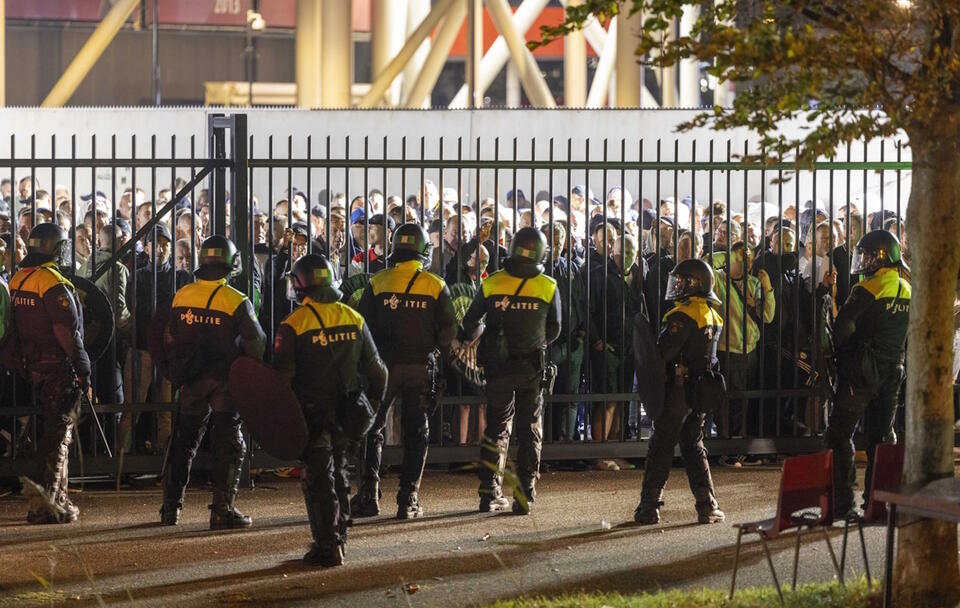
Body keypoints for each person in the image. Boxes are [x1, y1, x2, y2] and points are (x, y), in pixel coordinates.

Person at [274, 254, 387, 567]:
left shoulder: (293, 324)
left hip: (311, 415)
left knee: (318, 479)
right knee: (339, 472)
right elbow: (378, 372)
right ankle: (341, 537)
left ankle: (327, 545)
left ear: (300, 285)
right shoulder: (353, 317)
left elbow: (281, 381)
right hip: (348, 412)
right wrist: (371, 409)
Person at [160, 235, 266, 528]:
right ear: (231, 264)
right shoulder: (236, 300)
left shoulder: (182, 295)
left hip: (191, 380)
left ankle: (170, 507)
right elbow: (257, 345)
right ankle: (222, 510)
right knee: (230, 442)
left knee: (184, 441)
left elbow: (169, 334)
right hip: (224, 381)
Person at [353, 223, 457, 519]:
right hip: (419, 366)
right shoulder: (435, 285)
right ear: (424, 251)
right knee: (417, 431)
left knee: (372, 429)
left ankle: (368, 497)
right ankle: (408, 499)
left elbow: (363, 328)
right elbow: (448, 332)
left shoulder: (378, 281)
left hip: (384, 366)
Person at [461, 227, 561, 514]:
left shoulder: (492, 282)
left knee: (496, 427)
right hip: (531, 366)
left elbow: (469, 323)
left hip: (498, 367)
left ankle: (488, 492)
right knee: (530, 429)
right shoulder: (548, 285)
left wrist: (491, 336)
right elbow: (555, 329)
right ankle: (525, 494)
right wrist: (533, 339)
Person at [824, 230, 910, 518]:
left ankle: (843, 505)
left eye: (868, 255)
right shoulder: (907, 289)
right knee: (881, 439)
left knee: (839, 434)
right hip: (893, 371)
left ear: (882, 256)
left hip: (861, 373)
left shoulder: (867, 288)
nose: (863, 260)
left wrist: (842, 354)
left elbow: (843, 328)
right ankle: (879, 506)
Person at [634, 258, 726, 525]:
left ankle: (649, 508)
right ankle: (707, 506)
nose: (676, 285)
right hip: (698, 393)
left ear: (695, 284)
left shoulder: (683, 316)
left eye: (682, 281)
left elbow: (664, 351)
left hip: (678, 391)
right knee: (694, 447)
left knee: (660, 447)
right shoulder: (710, 313)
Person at [10, 223, 91, 524]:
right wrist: (83, 367)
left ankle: (60, 499)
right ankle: (43, 505)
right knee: (59, 435)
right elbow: (67, 332)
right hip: (59, 367)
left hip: (32, 368)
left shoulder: (19, 279)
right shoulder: (52, 282)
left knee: (55, 433)